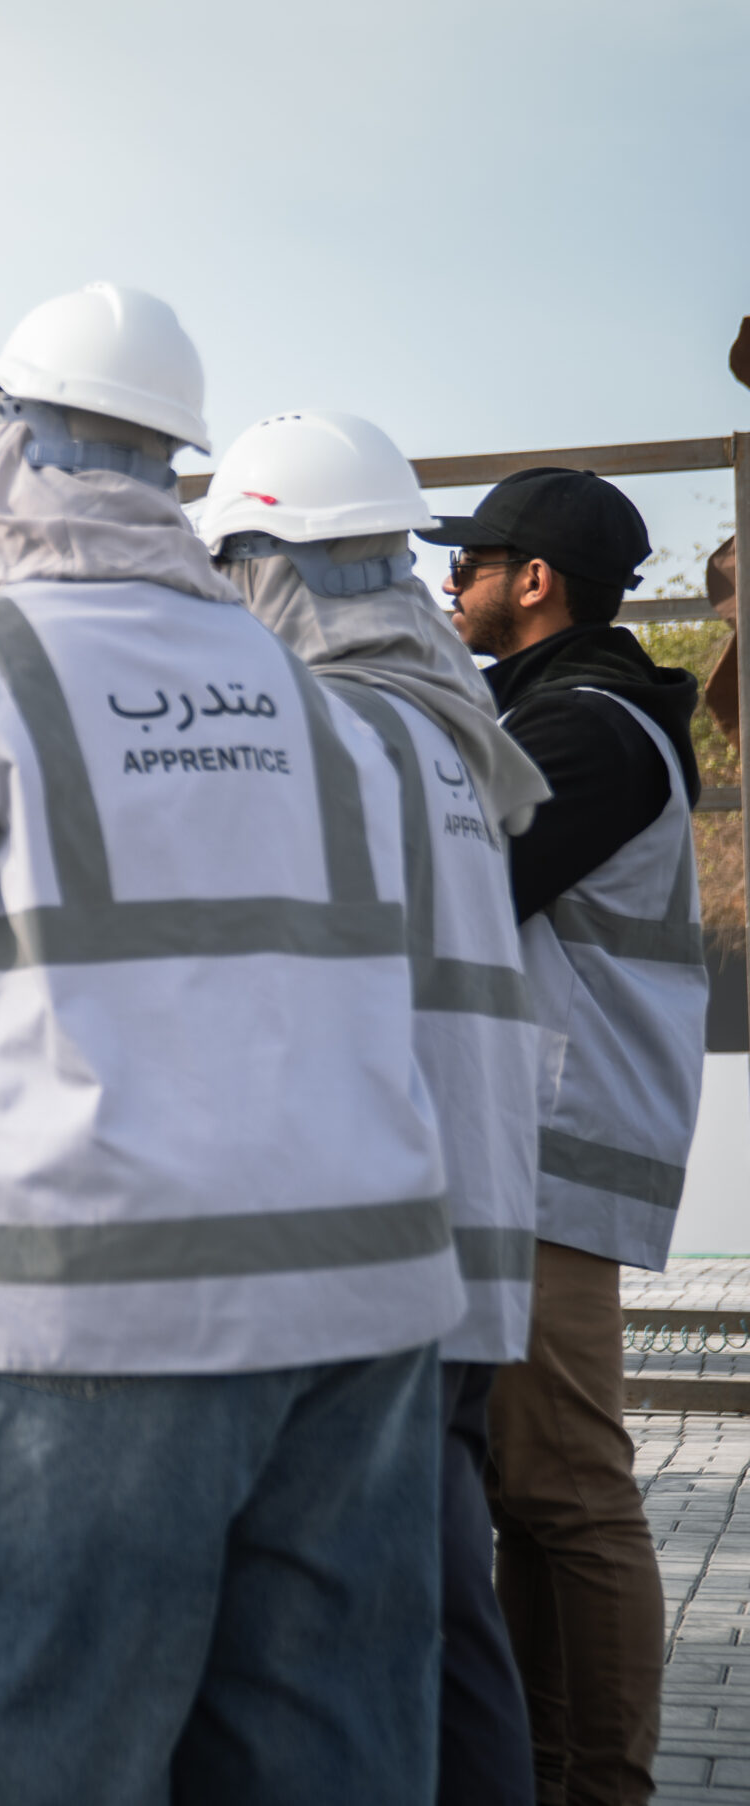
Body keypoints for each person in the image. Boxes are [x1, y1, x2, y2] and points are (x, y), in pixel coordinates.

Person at [0, 283, 464, 1805]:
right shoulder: (327, 706)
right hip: (356, 1306)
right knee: (326, 1762)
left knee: (25, 1755)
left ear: (6, 439)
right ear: (171, 473)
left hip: (64, 1309)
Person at [204, 410, 553, 1806]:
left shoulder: (327, 728)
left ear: (272, 563)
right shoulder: (449, 725)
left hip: (374, 1248)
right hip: (463, 1223)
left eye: (231, 568)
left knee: (379, 1626)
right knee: (443, 1603)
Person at [429, 467, 702, 1806]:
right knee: (530, 1495)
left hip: (548, 1146)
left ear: (532, 580)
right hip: (531, 1145)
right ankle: (540, 1776)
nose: (447, 585)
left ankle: (600, 1787)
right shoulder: (563, 714)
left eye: (468, 564)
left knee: (570, 1491)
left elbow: (447, 895)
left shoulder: (586, 730)